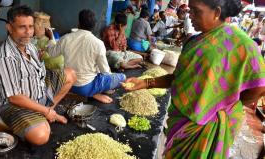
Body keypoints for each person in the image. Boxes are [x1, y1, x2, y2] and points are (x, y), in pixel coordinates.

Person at [122, 0, 265, 158]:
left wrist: (226, 104)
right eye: (190, 10)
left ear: (217, 12)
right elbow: (177, 78)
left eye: (196, 11)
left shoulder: (243, 46)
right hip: (183, 123)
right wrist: (144, 82)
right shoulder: (193, 42)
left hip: (210, 127)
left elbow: (259, 86)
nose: (190, 16)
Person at [0, 5, 77, 145]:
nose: (28, 32)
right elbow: (14, 97)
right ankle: (44, 113)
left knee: (70, 74)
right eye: (22, 27)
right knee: (40, 136)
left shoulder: (30, 46)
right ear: (9, 28)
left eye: (31, 26)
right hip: (12, 104)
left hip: (36, 91)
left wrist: (46, 109)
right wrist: (46, 111)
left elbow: (39, 72)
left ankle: (44, 112)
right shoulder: (4, 58)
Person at [47, 9, 125, 104]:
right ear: (94, 25)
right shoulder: (98, 43)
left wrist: (51, 37)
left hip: (69, 84)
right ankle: (94, 92)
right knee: (121, 77)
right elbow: (105, 72)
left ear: (78, 23)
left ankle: (95, 92)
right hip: (86, 87)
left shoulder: (66, 38)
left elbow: (51, 53)